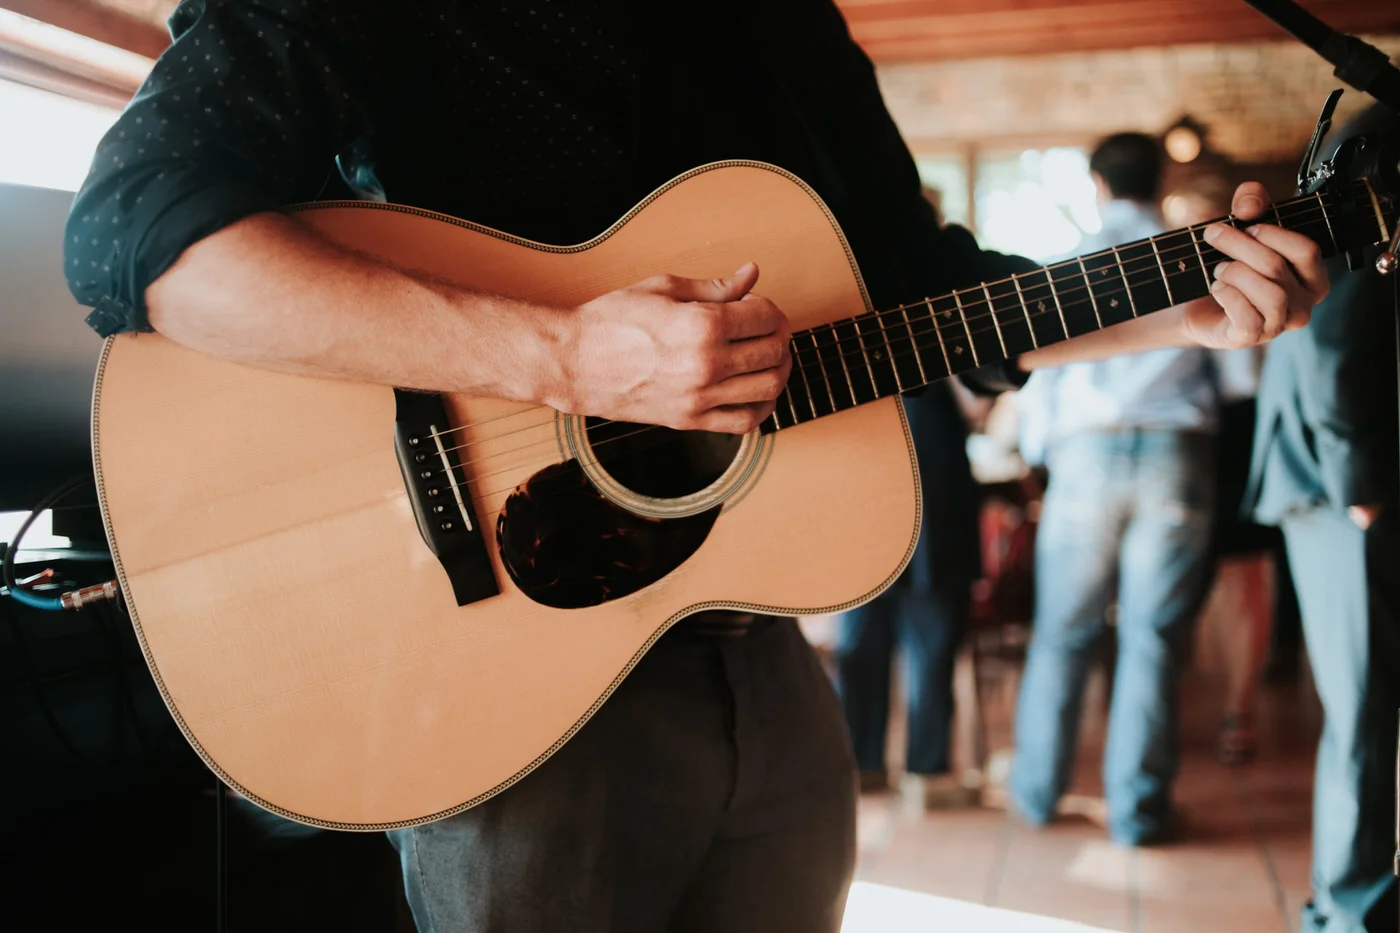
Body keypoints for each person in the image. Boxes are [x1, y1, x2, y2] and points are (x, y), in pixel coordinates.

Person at [62, 2, 1329, 929]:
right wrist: (562, 360)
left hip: (755, 655)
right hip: (507, 683)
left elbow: (916, 289)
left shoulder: (786, 25)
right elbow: (139, 237)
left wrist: (1181, 306)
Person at [1008, 132, 1224, 846]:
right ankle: (1138, 814)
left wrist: (1040, 460)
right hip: (1177, 451)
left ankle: (1038, 794)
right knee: (1153, 638)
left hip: (1085, 457)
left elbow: (1037, 376)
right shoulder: (1199, 254)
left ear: (1098, 184)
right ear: (1158, 181)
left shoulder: (1068, 260)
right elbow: (1241, 373)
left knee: (1061, 633)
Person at [1243, 102, 1399, 933]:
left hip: (1344, 470)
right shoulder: (1385, 138)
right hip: (1347, 479)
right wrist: (1362, 486)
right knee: (1365, 705)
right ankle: (1349, 913)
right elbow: (1337, 331)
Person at [832, 376, 982, 809]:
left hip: (907, 482)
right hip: (889, 482)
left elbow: (979, 406)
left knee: (909, 638)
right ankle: (892, 769)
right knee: (885, 640)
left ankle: (897, 769)